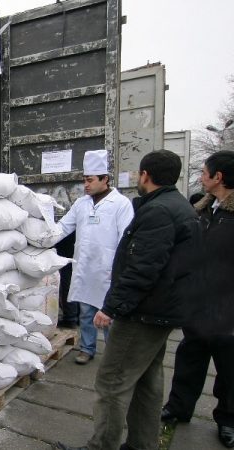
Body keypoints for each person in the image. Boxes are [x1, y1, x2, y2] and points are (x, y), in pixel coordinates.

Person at [56, 149, 200, 450]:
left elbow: (143, 267)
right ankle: (141, 444)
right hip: (160, 308)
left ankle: (101, 446)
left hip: (142, 311)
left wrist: (112, 306)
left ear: (145, 175)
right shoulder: (176, 206)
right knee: (147, 381)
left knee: (111, 382)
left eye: (90, 178)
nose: (85, 184)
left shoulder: (152, 210)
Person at [162, 150, 234, 448]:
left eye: (205, 172)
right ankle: (178, 407)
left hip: (227, 306)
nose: (201, 176)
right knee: (189, 358)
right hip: (196, 301)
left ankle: (228, 420)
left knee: (229, 368)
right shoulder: (202, 208)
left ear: (219, 177)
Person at [55, 150, 133, 364]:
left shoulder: (121, 204)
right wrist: (42, 238)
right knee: (86, 313)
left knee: (109, 315)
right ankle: (87, 349)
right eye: (84, 180)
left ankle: (112, 354)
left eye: (90, 180)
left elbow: (126, 237)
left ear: (104, 179)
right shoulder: (82, 204)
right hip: (86, 267)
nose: (86, 185)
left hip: (108, 269)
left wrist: (121, 267)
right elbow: (63, 227)